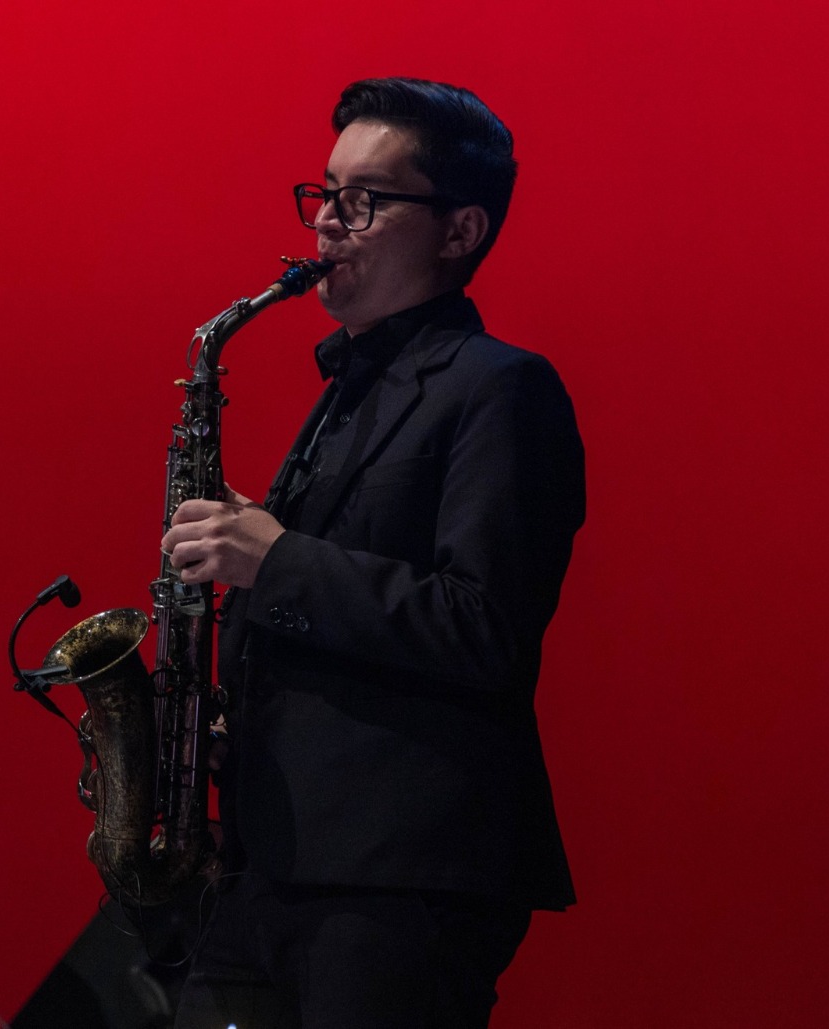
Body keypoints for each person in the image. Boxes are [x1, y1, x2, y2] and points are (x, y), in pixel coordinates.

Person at [162, 78, 586, 1028]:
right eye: (324, 194)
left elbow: (484, 626)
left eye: (364, 200)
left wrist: (276, 560)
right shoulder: (348, 391)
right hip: (273, 864)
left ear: (460, 230)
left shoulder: (502, 389)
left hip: (399, 876)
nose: (327, 223)